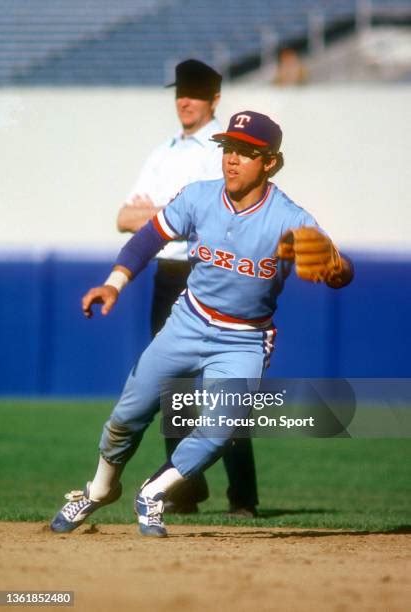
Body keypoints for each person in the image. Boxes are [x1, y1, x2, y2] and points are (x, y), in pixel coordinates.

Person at [50, 110, 353, 538]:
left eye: (246, 153)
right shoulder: (198, 197)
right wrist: (113, 284)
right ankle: (99, 490)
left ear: (270, 163)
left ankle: (153, 493)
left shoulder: (291, 219)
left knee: (221, 428)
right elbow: (147, 239)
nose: (232, 159)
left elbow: (341, 271)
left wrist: (336, 270)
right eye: (228, 148)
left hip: (244, 339)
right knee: (128, 415)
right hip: (187, 322)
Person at [116, 58, 259, 516]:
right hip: (168, 275)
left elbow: (217, 219)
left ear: (214, 99)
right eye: (180, 91)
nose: (184, 100)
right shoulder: (165, 153)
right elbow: (124, 219)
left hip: (213, 273)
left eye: (194, 92)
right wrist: (172, 215)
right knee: (172, 387)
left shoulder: (220, 151)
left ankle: (243, 497)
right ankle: (187, 487)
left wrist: (160, 215)